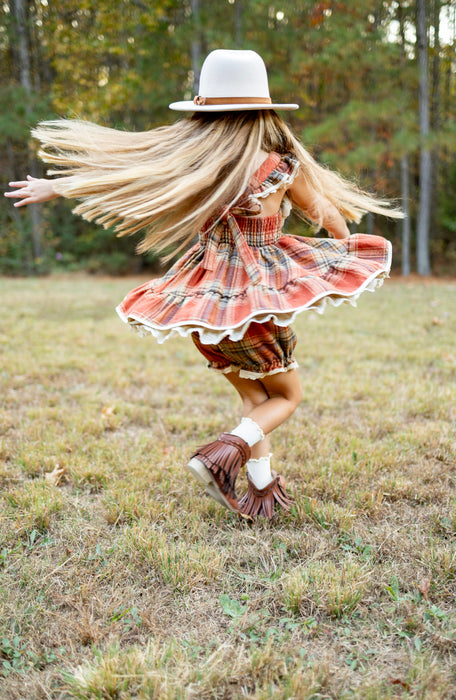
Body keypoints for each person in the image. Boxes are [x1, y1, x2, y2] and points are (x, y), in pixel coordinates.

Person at [4, 49, 402, 519]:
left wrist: (58, 186)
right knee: (288, 396)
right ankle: (220, 454)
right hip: (251, 305)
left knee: (258, 397)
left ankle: (260, 486)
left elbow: (129, 180)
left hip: (205, 308)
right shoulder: (278, 167)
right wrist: (343, 246)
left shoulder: (198, 166)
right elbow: (327, 215)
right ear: (263, 112)